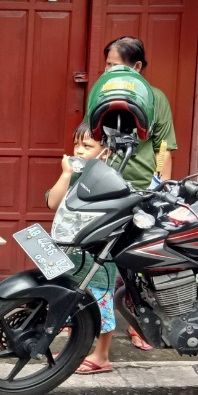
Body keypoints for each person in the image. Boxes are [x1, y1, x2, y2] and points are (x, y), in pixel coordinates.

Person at [102, 36, 177, 352]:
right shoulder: (104, 94)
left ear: (136, 67)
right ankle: (90, 319)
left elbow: (163, 146)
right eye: (106, 65)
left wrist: (159, 189)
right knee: (102, 254)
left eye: (114, 65)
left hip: (141, 189)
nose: (108, 71)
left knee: (136, 260)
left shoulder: (155, 98)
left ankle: (138, 323)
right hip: (107, 187)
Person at [46, 123, 119, 374]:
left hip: (99, 258)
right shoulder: (75, 176)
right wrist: (66, 174)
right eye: (76, 144)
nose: (78, 151)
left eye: (87, 146)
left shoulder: (112, 180)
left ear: (105, 152)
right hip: (70, 252)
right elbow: (53, 202)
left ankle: (102, 355)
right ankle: (74, 349)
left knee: (101, 306)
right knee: (72, 303)